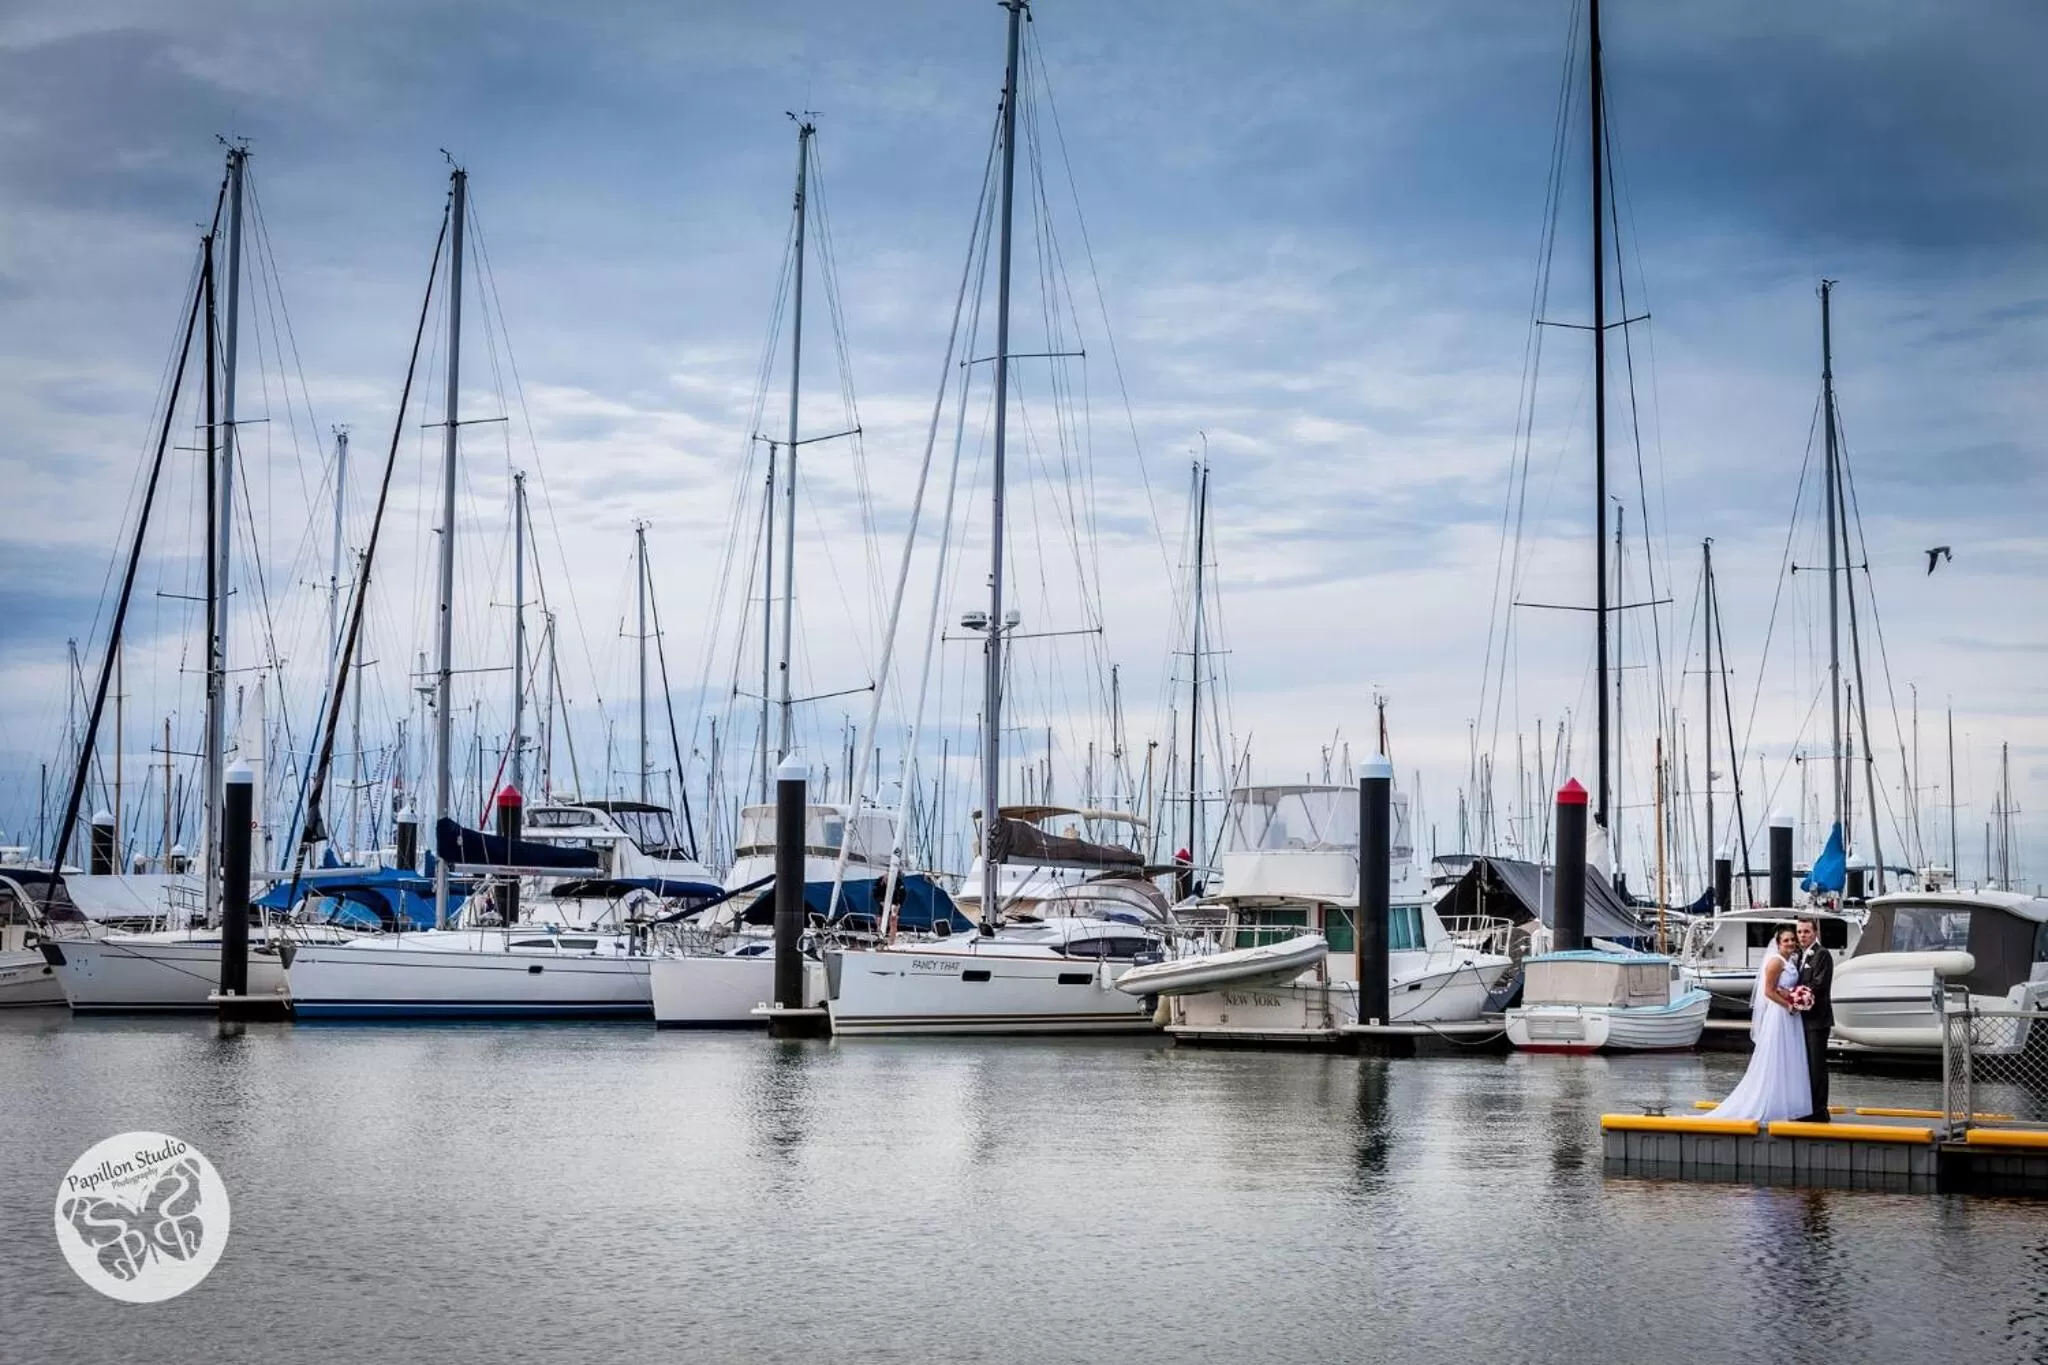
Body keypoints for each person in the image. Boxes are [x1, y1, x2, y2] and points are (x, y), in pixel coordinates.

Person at [1705, 927, 1811, 1122]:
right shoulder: (1775, 962)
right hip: (1779, 1014)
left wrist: (1796, 997)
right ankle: (1771, 1102)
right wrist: (1789, 1005)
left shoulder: (1791, 961)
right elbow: (1768, 992)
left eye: (1792, 940)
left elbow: (1786, 988)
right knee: (1777, 1056)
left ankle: (1789, 1102)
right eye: (1786, 940)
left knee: (1790, 1056)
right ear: (1778, 944)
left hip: (1791, 1015)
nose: (1790, 943)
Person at [1794, 915, 1835, 1122]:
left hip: (1818, 1020)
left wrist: (1794, 996)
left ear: (1815, 932)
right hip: (1804, 1020)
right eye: (1799, 932)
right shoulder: (1801, 956)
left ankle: (1819, 1110)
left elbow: (1819, 984)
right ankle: (1807, 1106)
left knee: (1817, 1065)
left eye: (1806, 932)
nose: (1802, 936)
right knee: (1807, 1065)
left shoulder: (1822, 954)